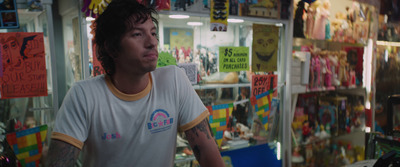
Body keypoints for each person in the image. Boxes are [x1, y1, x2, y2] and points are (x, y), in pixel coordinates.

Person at [45, 0, 224, 166]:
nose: (152, 42)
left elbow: (208, 154)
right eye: (137, 34)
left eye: (153, 33)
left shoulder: (174, 80)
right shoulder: (83, 95)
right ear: (111, 48)